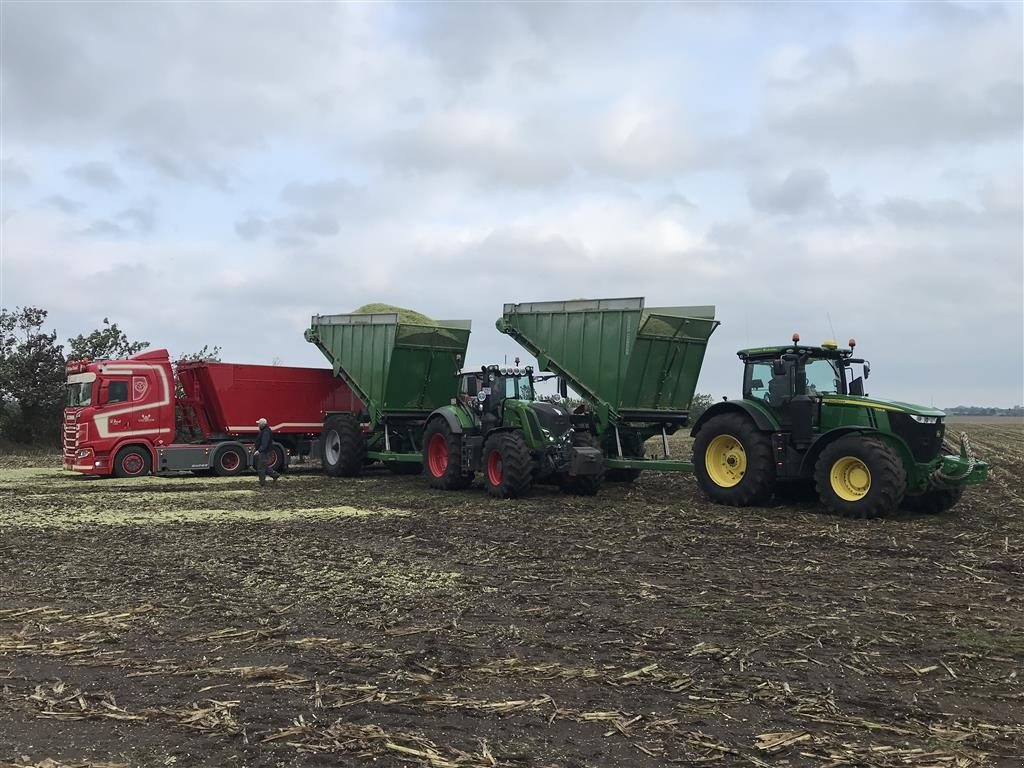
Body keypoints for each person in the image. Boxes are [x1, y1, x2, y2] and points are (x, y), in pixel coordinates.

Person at [253, 417, 280, 487]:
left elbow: (264, 444)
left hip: (264, 452)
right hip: (264, 451)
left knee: (260, 468)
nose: (258, 425)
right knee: (263, 466)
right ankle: (275, 475)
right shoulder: (264, 430)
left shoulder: (266, 432)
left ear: (262, 424)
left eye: (259, 424)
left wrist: (259, 451)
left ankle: (262, 483)